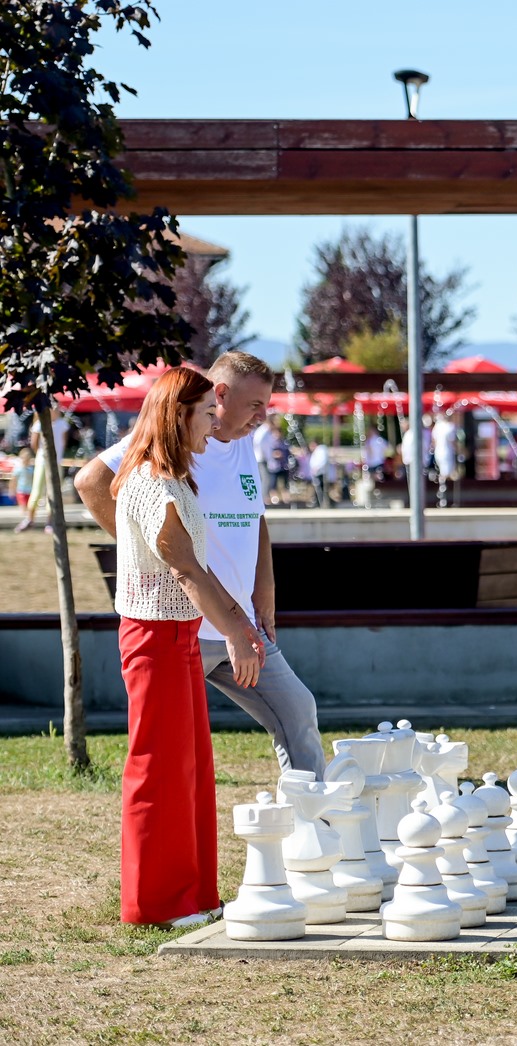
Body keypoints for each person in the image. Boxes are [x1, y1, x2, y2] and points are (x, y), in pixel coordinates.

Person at [77, 351, 327, 777]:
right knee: (177, 751)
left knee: (297, 710)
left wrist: (265, 591)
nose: (263, 416)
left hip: (241, 626)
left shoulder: (244, 443)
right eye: (255, 405)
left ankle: (309, 810)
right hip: (188, 626)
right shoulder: (176, 439)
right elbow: (90, 482)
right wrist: (153, 549)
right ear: (221, 394)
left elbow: (256, 519)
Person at [108, 367, 265, 928]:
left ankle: (194, 896)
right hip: (154, 638)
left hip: (178, 637)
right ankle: (155, 904)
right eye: (204, 415)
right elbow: (185, 570)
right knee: (158, 769)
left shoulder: (174, 479)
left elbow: (195, 567)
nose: (212, 426)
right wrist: (236, 632)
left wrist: (237, 623)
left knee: (191, 769)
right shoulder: (154, 482)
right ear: (178, 416)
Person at [14, 410, 68, 532]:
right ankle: (30, 519)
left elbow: (63, 442)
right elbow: (34, 444)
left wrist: (58, 456)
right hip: (42, 461)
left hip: (56, 461)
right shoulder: (39, 424)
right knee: (37, 490)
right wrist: (43, 455)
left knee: (54, 492)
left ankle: (50, 521)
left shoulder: (62, 424)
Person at [307, 438, 331, 508]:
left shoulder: (321, 450)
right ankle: (319, 502)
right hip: (317, 473)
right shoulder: (318, 451)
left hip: (321, 473)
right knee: (318, 488)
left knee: (321, 488)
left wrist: (317, 468)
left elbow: (322, 461)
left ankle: (320, 503)